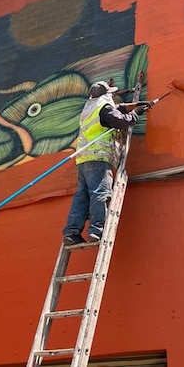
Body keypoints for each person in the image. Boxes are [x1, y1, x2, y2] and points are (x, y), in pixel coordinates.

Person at [62, 81, 146, 245]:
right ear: (106, 95)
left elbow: (115, 111)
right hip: (99, 158)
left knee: (82, 196)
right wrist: (135, 113)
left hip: (83, 159)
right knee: (100, 193)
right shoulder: (104, 108)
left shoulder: (90, 108)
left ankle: (71, 233)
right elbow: (120, 121)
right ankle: (97, 230)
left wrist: (134, 105)